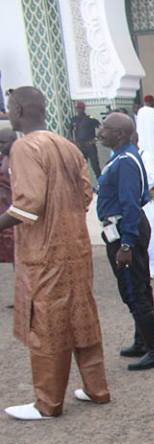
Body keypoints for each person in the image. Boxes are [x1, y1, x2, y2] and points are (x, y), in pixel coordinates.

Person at [0, 87, 110, 420]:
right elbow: (86, 192)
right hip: (75, 249)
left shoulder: (24, 146)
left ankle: (47, 403)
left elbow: (29, 204)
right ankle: (97, 389)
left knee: (46, 322)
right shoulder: (67, 145)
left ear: (18, 109)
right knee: (81, 316)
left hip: (44, 253)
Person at [95, 113, 154, 370]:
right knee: (136, 287)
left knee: (133, 290)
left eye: (106, 127)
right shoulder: (120, 157)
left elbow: (129, 203)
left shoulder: (125, 161)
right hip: (123, 228)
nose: (100, 131)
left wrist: (126, 244)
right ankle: (142, 341)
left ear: (120, 134)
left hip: (126, 230)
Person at [132, 131, 154, 278]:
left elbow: (152, 178)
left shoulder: (144, 155)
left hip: (144, 201)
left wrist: (133, 185)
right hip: (130, 202)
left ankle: (151, 268)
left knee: (149, 235)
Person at [0, 128, 15, 301]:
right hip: (6, 213)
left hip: (16, 215)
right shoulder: (5, 158)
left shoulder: (20, 160)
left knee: (18, 257)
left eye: (3, 142)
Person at [70, 100, 101, 177]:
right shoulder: (74, 119)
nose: (78, 110)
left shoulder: (90, 119)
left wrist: (95, 140)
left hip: (90, 146)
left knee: (95, 166)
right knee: (81, 168)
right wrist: (73, 142)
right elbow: (70, 131)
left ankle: (102, 185)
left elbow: (101, 129)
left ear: (83, 109)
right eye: (77, 108)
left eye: (80, 108)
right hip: (80, 146)